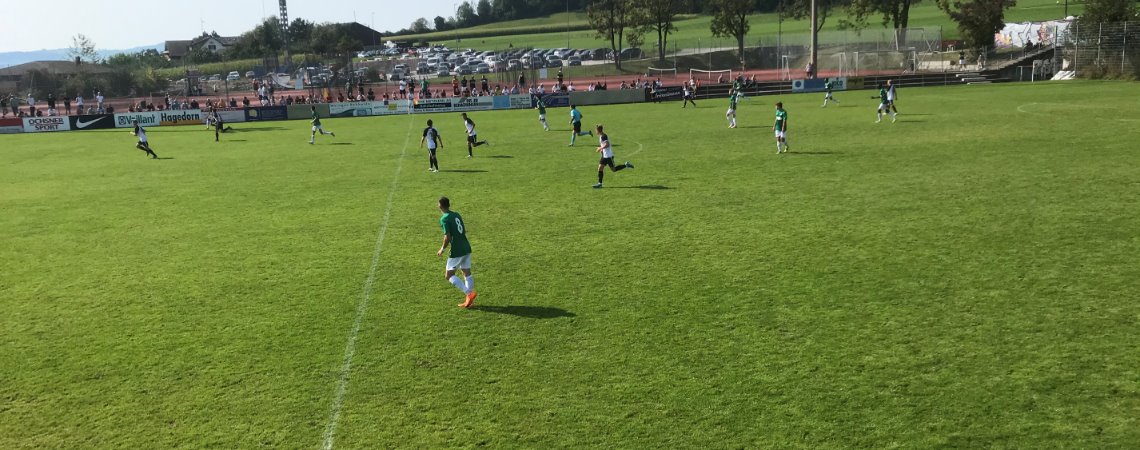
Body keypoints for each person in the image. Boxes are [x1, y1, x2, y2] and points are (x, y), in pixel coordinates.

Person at [436, 196, 477, 308]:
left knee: (449, 275)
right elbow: (462, 230)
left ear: (440, 206)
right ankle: (470, 300)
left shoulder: (444, 218)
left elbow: (447, 237)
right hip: (466, 246)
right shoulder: (456, 214)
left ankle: (469, 293)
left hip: (457, 250)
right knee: (466, 272)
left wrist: (442, 249)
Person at [593, 124, 633, 188]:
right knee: (600, 168)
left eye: (596, 130)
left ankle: (626, 165)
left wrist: (600, 148)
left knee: (613, 169)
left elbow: (607, 144)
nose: (595, 131)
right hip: (604, 156)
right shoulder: (601, 136)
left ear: (599, 130)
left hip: (609, 156)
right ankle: (600, 183)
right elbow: (604, 145)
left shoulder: (604, 136)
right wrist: (602, 150)